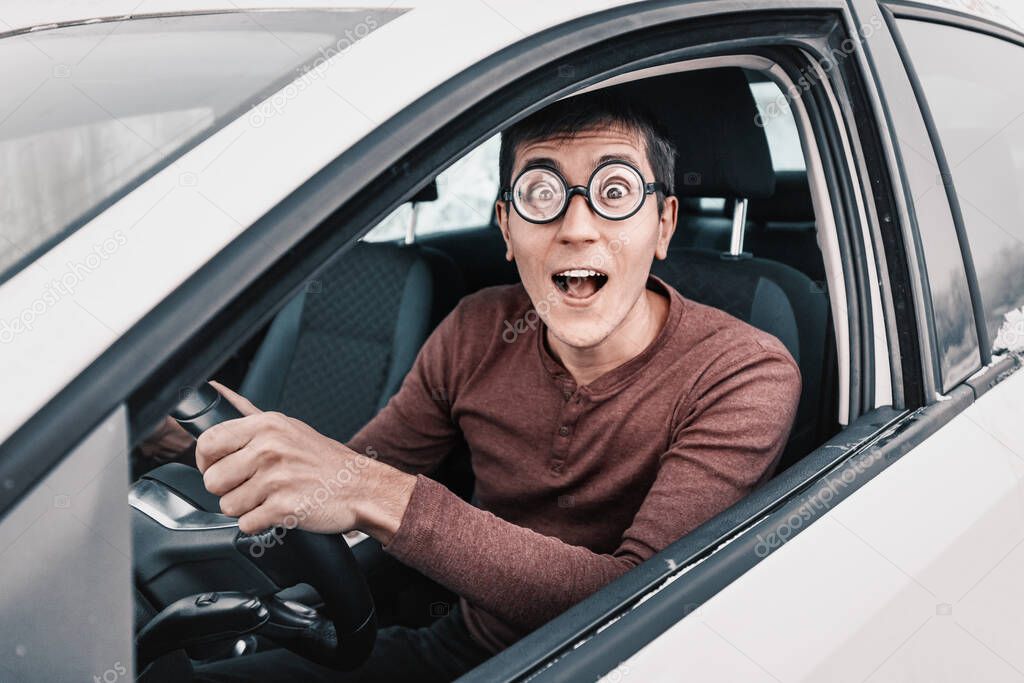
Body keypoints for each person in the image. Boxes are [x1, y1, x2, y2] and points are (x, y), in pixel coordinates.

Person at [155, 91, 801, 681]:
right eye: (542, 195)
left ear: (663, 224)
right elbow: (356, 470)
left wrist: (378, 492)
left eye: (614, 191)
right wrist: (196, 439)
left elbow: (634, 601)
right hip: (460, 651)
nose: (577, 228)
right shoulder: (477, 330)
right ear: (506, 228)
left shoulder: (742, 371)